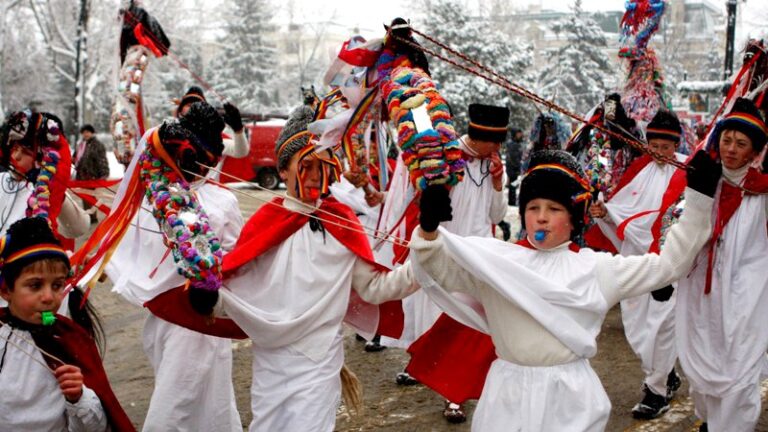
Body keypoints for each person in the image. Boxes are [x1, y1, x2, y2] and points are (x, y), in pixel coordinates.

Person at [408, 148, 720, 431]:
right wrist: (429, 229)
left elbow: (669, 266)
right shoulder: (497, 264)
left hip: (569, 399)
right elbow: (440, 270)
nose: (541, 217)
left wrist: (698, 201)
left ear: (573, 218)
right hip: (506, 396)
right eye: (532, 207)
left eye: (554, 208)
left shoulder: (596, 269)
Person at [214, 105, 419, 432]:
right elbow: (236, 289)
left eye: (323, 166)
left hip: (318, 362)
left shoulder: (343, 222)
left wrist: (424, 261)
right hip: (272, 362)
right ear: (283, 170)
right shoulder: (265, 222)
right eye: (305, 165)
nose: (313, 175)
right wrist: (208, 298)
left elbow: (375, 288)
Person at [102, 101, 244, 432]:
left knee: (175, 407)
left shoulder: (224, 201)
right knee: (203, 401)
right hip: (163, 317)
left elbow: (237, 259)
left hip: (200, 320)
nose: (201, 169)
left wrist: (210, 280)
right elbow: (128, 247)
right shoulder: (154, 193)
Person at [675, 98, 768, 432]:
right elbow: (677, 226)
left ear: (754, 151)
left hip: (748, 293)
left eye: (741, 144)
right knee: (703, 357)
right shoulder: (704, 178)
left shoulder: (763, 191)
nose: (731, 148)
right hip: (702, 289)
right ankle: (712, 421)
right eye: (726, 140)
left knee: (741, 364)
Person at [587, 109, 687, 419]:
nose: (659, 153)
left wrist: (672, 261)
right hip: (636, 263)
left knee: (661, 327)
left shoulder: (689, 171)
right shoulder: (639, 169)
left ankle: (655, 391)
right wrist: (604, 215)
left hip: (671, 265)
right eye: (654, 146)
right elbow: (621, 211)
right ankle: (665, 374)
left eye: (665, 147)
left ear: (676, 145)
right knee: (638, 328)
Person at [0, 217, 134, 431]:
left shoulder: (69, 338)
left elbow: (96, 427)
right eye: (35, 285)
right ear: (6, 290)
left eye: (57, 286)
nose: (48, 297)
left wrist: (78, 397)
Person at [0, 110, 89, 310]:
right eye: (14, 148)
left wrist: (55, 193)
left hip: (36, 289)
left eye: (25, 151)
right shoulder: (1, 182)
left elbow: (78, 227)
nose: (16, 155)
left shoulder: (48, 192)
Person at [74, 124, 110, 224]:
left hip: (92, 175)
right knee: (85, 197)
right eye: (84, 132)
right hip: (82, 176)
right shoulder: (81, 144)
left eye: (88, 132)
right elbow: (76, 158)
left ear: (92, 133)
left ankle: (92, 218)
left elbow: (102, 160)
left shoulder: (97, 145)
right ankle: (90, 217)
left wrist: (104, 174)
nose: (86, 134)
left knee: (90, 197)